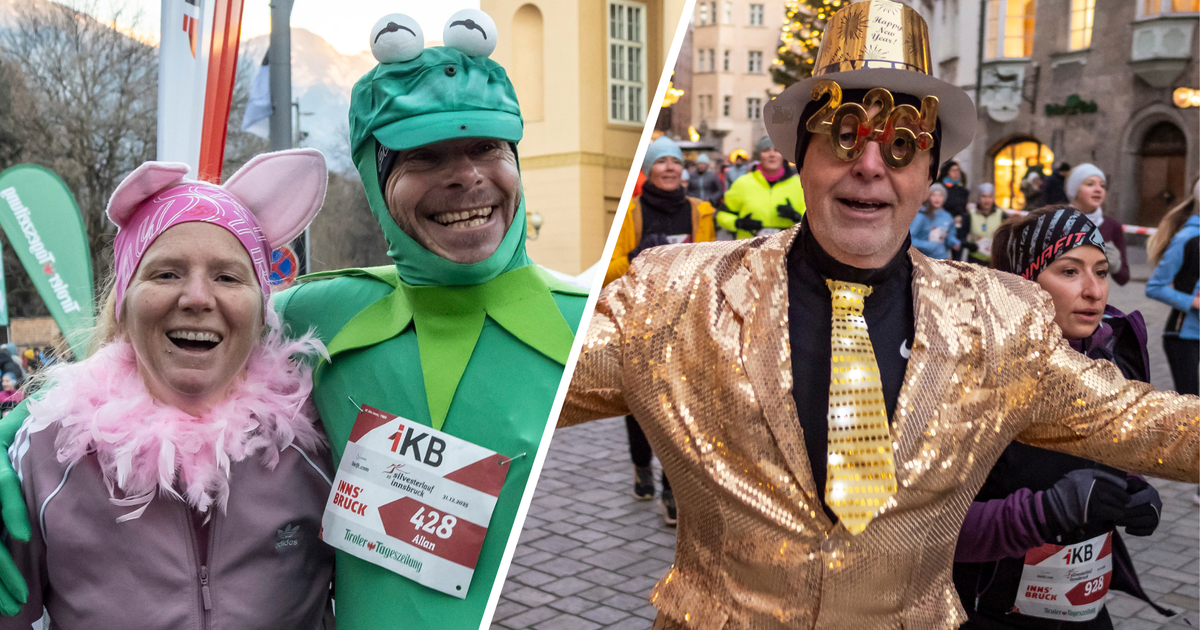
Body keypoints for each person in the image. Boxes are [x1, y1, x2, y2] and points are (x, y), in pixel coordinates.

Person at [557, 2, 1198, 627]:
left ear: (929, 172)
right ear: (800, 157)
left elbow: (1141, 419)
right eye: (843, 137)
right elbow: (533, 379)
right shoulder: (676, 297)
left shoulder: (1003, 320)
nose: (869, 166)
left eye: (900, 146)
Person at [0, 10, 587, 630]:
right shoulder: (325, 315)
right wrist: (18, 432)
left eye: (487, 147)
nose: (465, 176)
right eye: (425, 156)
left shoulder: (590, 322)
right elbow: (126, 361)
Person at [0, 149, 335, 627]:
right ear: (124, 302)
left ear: (263, 309)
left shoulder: (319, 439)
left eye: (227, 276)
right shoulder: (47, 451)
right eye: (166, 273)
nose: (197, 297)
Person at [954, 206, 1170, 628]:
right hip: (988, 611)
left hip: (1083, 609)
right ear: (1025, 282)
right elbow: (928, 529)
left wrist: (1135, 491)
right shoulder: (974, 375)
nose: (1094, 290)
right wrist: (1045, 511)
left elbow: (1104, 464)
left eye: (1102, 271)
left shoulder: (1111, 356)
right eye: (1070, 272)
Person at [607, 135, 715, 525]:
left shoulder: (699, 210)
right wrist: (638, 262)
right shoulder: (630, 211)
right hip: (639, 321)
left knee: (677, 406)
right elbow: (611, 267)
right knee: (637, 405)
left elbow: (709, 262)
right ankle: (641, 467)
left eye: (674, 161)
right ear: (648, 170)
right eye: (661, 162)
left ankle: (673, 490)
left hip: (684, 320)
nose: (669, 167)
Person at [1146, 178, 1200, 396]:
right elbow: (1155, 287)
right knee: (1191, 407)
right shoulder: (1187, 239)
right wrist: (1194, 302)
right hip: (1183, 336)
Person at [716, 135, 805, 239]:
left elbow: (816, 219)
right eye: (766, 150)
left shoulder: (799, 185)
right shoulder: (742, 183)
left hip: (789, 247)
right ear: (759, 156)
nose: (772, 154)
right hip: (750, 247)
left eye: (777, 150)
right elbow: (722, 215)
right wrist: (738, 223)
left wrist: (797, 217)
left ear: (783, 155)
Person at [1068, 164, 1130, 286]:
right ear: (1074, 190)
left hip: (1093, 298)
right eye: (1090, 184)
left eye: (1102, 185)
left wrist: (1115, 265)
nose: (1098, 189)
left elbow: (1124, 278)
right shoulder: (1055, 222)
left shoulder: (1112, 226)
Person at [910, 183, 959, 260]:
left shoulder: (947, 216)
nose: (937, 199)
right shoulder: (921, 216)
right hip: (923, 259)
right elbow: (910, 240)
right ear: (928, 197)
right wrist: (929, 245)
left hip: (942, 258)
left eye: (940, 195)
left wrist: (953, 242)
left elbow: (949, 236)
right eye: (934, 195)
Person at [965, 183, 1003, 265]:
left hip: (993, 261)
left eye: (990, 197)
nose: (987, 200)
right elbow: (963, 236)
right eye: (984, 196)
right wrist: (971, 244)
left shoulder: (1001, 214)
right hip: (975, 260)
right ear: (979, 198)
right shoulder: (970, 214)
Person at [939, 161, 970, 258]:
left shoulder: (963, 190)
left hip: (958, 226)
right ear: (947, 172)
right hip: (944, 224)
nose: (956, 173)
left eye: (958, 170)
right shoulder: (941, 188)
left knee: (957, 257)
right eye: (953, 170)